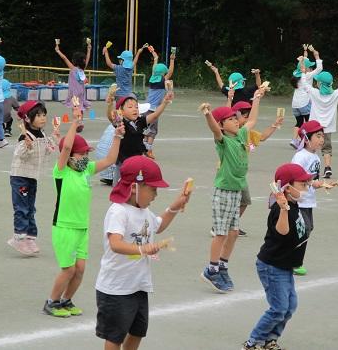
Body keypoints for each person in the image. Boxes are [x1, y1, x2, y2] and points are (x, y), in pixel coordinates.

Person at [95, 156, 191, 350]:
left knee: (138, 331)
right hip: (116, 288)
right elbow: (115, 243)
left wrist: (175, 205)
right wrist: (142, 248)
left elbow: (159, 226)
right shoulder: (118, 211)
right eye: (153, 189)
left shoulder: (144, 211)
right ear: (133, 188)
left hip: (138, 285)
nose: (155, 194)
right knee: (115, 337)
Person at [43, 106, 125, 318]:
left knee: (80, 269)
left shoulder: (86, 170)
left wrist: (117, 136)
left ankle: (66, 300)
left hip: (82, 228)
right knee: (68, 269)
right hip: (65, 227)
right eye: (82, 153)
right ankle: (51, 302)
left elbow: (108, 161)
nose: (85, 157)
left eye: (87, 153)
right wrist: (75, 123)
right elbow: (66, 146)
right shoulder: (61, 172)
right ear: (70, 156)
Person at [199, 87, 265, 293]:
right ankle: (211, 269)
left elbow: (252, 120)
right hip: (224, 192)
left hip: (236, 191)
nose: (236, 121)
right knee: (220, 233)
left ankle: (223, 264)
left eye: (235, 118)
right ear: (222, 125)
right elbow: (214, 129)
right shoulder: (224, 141)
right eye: (230, 119)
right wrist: (208, 114)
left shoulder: (241, 135)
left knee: (234, 232)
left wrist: (256, 100)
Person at [241, 163, 311, 350]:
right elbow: (282, 232)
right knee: (279, 308)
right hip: (272, 266)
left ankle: (270, 340)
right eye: (303, 184)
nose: (307, 187)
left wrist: (320, 184)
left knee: (290, 306)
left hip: (285, 266)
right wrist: (283, 209)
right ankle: (252, 342)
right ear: (288, 188)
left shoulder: (294, 203)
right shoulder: (280, 210)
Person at [218, 96, 284, 237]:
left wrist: (275, 124)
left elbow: (262, 137)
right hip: (229, 173)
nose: (247, 120)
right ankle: (221, 226)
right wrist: (230, 97)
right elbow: (223, 118)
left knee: (243, 201)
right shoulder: (231, 135)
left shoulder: (246, 132)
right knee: (234, 201)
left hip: (239, 175)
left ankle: (229, 225)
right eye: (244, 116)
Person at [8, 101, 59, 255]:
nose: (43, 118)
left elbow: (48, 150)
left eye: (44, 115)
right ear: (28, 119)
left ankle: (29, 237)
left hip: (32, 177)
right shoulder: (25, 136)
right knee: (22, 208)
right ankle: (18, 237)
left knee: (31, 208)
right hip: (20, 177)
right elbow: (19, 155)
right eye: (38, 115)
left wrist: (54, 138)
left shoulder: (41, 134)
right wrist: (27, 146)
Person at [291, 120, 337, 276]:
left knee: (307, 229)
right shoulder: (300, 157)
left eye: (322, 136)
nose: (322, 139)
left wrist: (324, 184)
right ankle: (294, 262)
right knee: (303, 231)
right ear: (306, 138)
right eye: (318, 136)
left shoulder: (316, 158)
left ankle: (292, 260)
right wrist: (313, 183)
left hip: (308, 201)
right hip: (299, 200)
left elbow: (314, 180)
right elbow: (295, 179)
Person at [106, 91, 173, 184]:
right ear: (121, 111)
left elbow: (155, 115)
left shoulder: (140, 121)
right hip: (123, 163)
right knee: (120, 188)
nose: (134, 109)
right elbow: (111, 116)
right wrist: (110, 104)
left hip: (137, 162)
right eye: (130, 107)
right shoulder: (121, 123)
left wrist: (165, 102)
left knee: (136, 188)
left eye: (136, 107)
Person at [298, 57, 338, 178]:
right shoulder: (335, 94)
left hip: (314, 127)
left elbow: (304, 84)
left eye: (318, 82)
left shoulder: (314, 93)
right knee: (327, 148)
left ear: (319, 84)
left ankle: (309, 167)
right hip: (328, 127)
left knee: (310, 146)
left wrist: (304, 72)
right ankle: (327, 168)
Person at [143, 48, 176, 159]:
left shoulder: (152, 78)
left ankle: (144, 148)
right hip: (153, 109)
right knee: (152, 131)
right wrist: (172, 60)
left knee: (145, 129)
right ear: (162, 73)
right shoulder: (162, 80)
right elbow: (170, 72)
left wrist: (154, 54)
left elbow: (154, 67)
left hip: (145, 108)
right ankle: (149, 149)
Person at [289, 45, 322, 148]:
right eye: (310, 67)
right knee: (308, 123)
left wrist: (305, 52)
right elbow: (319, 68)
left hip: (295, 104)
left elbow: (303, 63)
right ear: (306, 68)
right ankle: (305, 141)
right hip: (304, 103)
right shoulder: (308, 75)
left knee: (298, 122)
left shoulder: (296, 75)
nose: (311, 68)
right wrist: (317, 56)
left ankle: (294, 140)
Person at [55, 40, 91, 116]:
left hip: (74, 94)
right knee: (80, 108)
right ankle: (79, 122)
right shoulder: (82, 70)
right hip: (81, 93)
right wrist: (89, 50)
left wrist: (58, 51)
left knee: (75, 109)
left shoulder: (73, 69)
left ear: (75, 61)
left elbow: (64, 58)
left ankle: (78, 123)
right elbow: (87, 59)